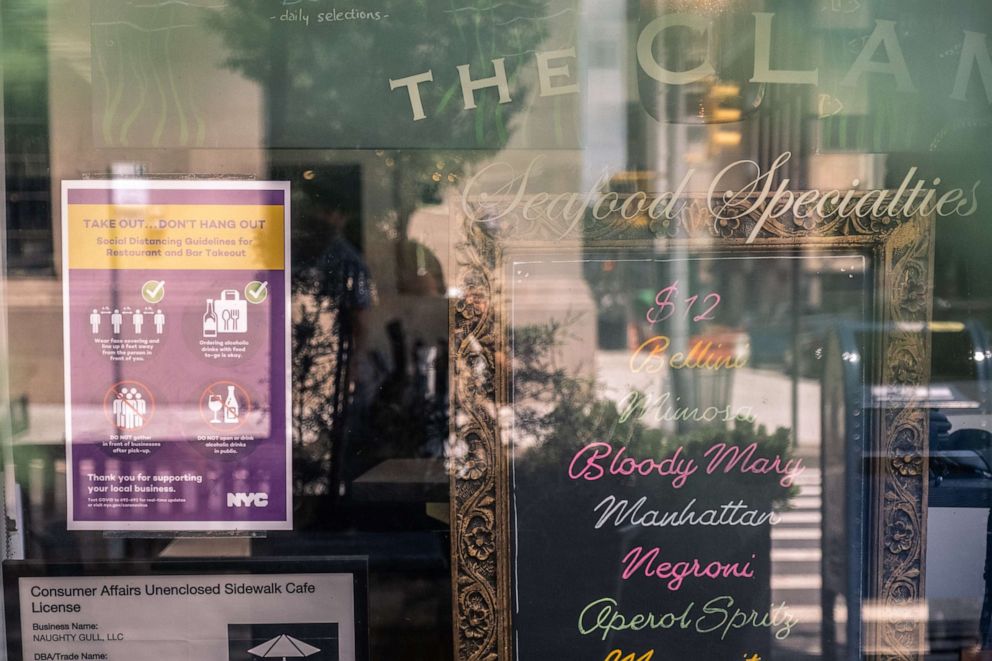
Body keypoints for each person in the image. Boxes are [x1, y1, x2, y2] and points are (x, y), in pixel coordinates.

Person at [293, 175, 375, 503]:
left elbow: (359, 321)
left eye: (328, 212)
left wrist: (352, 364)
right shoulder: (292, 254)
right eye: (317, 210)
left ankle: (326, 507)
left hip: (328, 368)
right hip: (297, 367)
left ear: (340, 217)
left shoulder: (348, 262)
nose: (321, 218)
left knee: (328, 441)